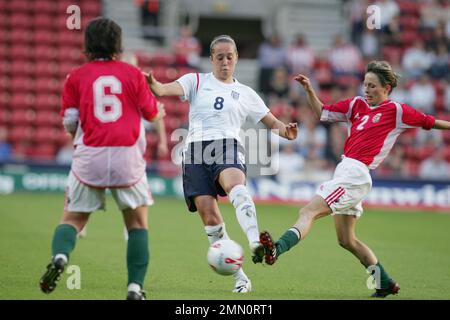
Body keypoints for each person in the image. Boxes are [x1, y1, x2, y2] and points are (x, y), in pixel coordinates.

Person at [258, 60, 450, 298]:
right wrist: (309, 90)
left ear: (387, 87)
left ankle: (277, 249)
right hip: (346, 171)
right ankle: (385, 283)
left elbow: (430, 122)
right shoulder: (356, 105)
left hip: (355, 175)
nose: (366, 90)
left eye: (372, 86)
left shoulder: (397, 111)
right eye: (365, 85)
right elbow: (323, 113)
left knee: (308, 212)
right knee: (346, 240)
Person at [146, 35, 298, 293]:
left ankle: (254, 242)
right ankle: (241, 278)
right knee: (210, 218)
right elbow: (164, 90)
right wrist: (153, 84)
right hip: (195, 152)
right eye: (220, 57)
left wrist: (286, 131)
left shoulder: (247, 94)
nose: (225, 62)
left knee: (235, 186)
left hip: (227, 145)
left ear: (237, 58)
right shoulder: (196, 81)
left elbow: (271, 122)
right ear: (211, 59)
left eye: (230, 57)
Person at [39, 18, 165, 300]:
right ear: (118, 45)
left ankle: (60, 256)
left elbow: (70, 122)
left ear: (88, 44)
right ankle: (134, 288)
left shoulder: (76, 77)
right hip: (127, 156)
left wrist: (80, 135)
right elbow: (152, 113)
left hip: (91, 154)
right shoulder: (133, 74)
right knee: (137, 225)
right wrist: (160, 114)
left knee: (73, 219)